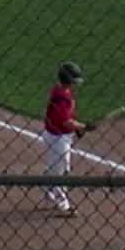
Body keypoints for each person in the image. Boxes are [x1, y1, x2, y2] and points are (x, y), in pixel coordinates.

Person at [43, 61, 94, 216]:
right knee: (61, 171)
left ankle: (48, 194)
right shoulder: (62, 96)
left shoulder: (60, 90)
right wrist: (83, 127)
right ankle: (64, 205)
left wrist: (77, 128)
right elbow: (66, 121)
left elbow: (66, 118)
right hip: (58, 138)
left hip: (58, 135)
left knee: (56, 169)